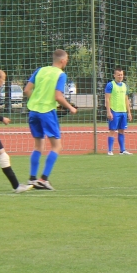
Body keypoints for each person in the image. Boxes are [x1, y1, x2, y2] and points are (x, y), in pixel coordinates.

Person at [24, 49, 78, 190]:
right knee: (57, 146)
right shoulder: (61, 74)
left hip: (33, 111)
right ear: (62, 60)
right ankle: (43, 179)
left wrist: (36, 100)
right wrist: (70, 108)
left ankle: (32, 179)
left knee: (38, 146)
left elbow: (26, 90)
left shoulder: (40, 70)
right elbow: (58, 96)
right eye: (67, 59)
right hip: (47, 111)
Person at [105, 67, 133, 155]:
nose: (120, 76)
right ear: (114, 75)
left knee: (122, 130)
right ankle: (110, 150)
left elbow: (126, 99)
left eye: (121, 75)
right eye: (118, 75)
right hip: (114, 111)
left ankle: (122, 150)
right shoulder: (110, 85)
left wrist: (129, 112)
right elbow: (107, 99)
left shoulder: (125, 86)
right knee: (112, 130)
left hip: (123, 111)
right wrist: (108, 111)